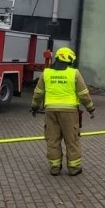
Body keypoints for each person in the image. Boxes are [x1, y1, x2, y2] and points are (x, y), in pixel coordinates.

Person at [30, 46, 96, 176]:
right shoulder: (74, 73)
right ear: (70, 60)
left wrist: (34, 107)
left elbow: (38, 93)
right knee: (72, 140)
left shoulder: (46, 73)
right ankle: (74, 169)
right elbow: (83, 94)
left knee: (52, 140)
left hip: (50, 111)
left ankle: (55, 168)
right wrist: (90, 108)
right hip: (69, 112)